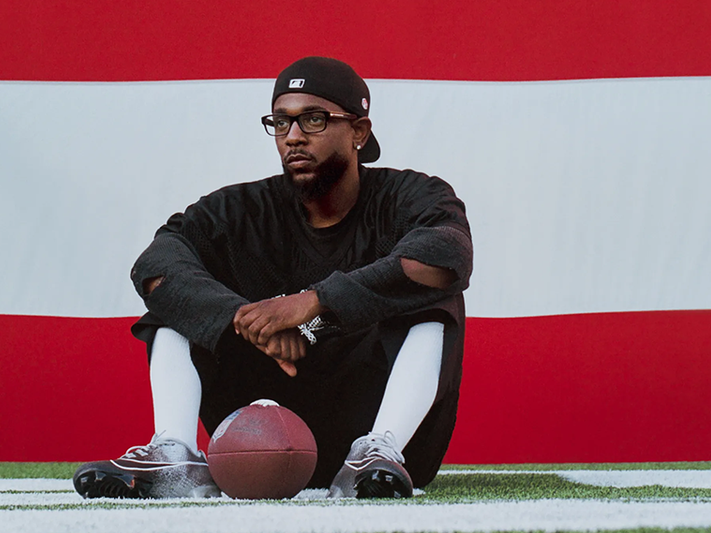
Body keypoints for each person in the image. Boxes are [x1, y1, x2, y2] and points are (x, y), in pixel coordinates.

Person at [73, 56, 472, 499]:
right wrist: (244, 320)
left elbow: (444, 256)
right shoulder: (241, 210)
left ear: (358, 131)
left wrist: (313, 304)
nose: (294, 137)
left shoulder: (410, 196)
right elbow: (155, 266)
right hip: (258, 421)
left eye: (314, 119)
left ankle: (381, 447)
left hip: (372, 420)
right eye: (281, 123)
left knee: (430, 292)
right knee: (176, 298)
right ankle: (175, 452)